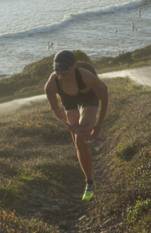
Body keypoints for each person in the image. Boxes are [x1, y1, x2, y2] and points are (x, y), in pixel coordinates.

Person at [43, 51, 109, 201]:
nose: (61, 77)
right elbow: (56, 111)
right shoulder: (51, 85)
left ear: (73, 68)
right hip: (70, 102)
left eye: (65, 74)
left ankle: (89, 184)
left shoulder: (85, 75)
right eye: (58, 73)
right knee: (78, 143)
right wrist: (69, 126)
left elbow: (104, 93)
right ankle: (89, 182)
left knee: (81, 139)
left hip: (88, 99)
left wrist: (98, 124)